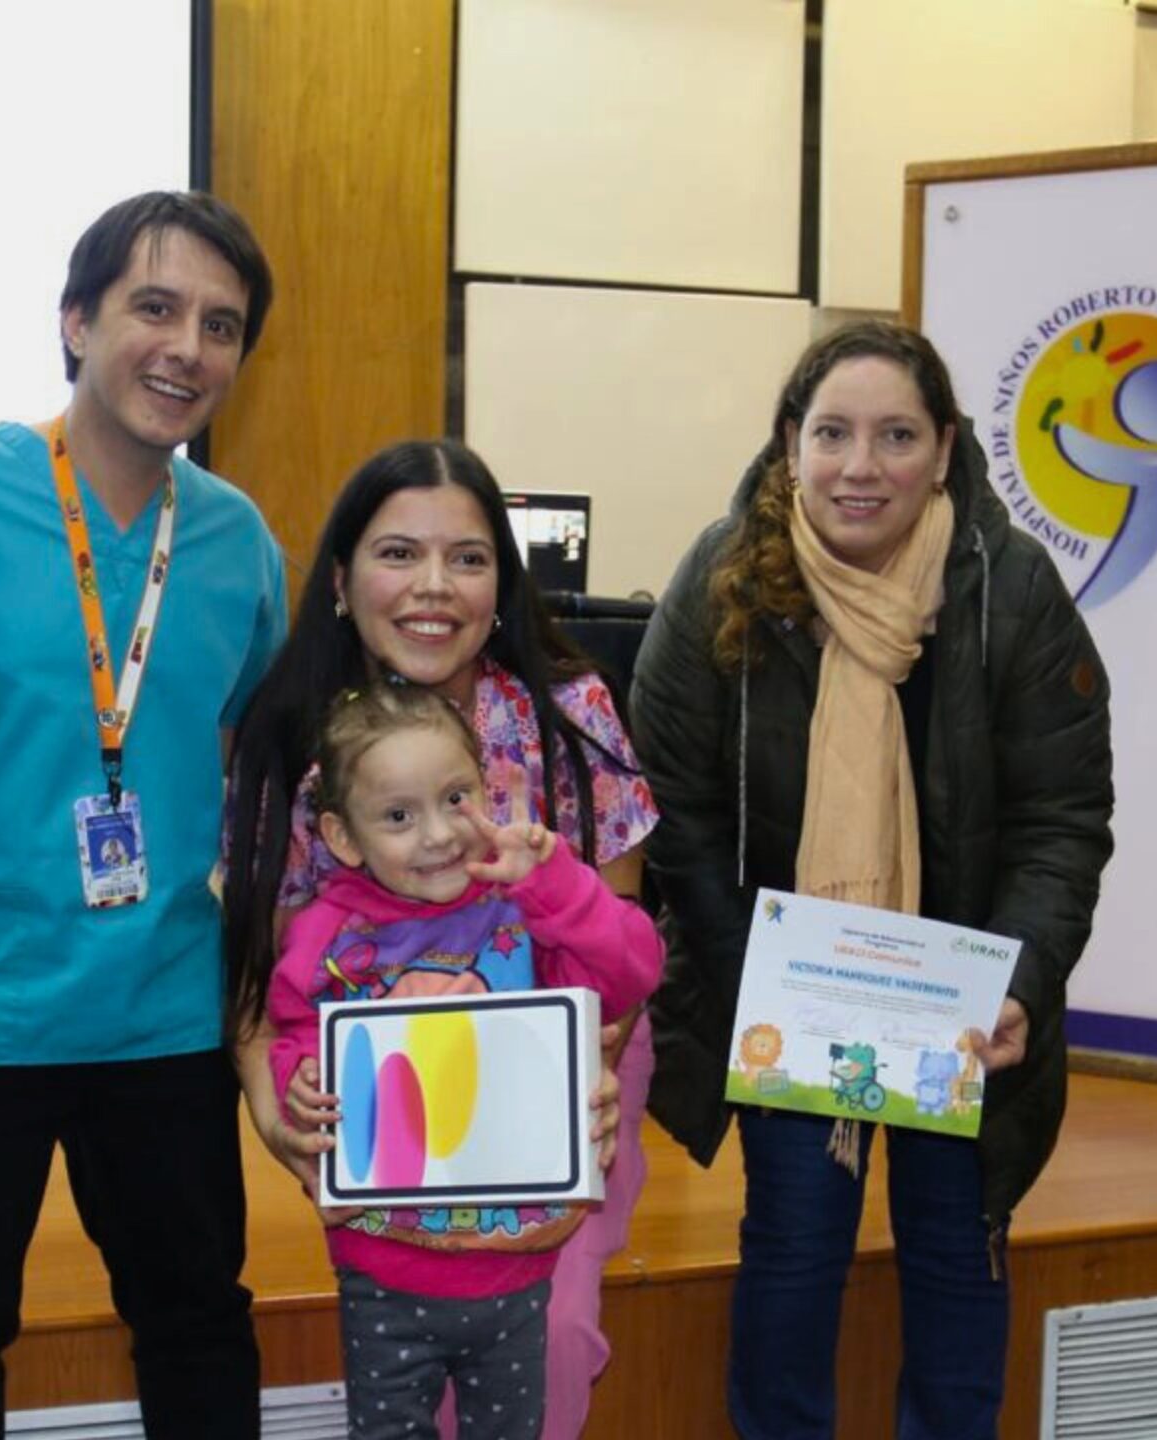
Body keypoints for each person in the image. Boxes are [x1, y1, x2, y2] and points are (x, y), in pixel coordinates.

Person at [631, 320, 1114, 1440]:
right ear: (789, 443)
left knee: (955, 1247)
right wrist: (756, 977)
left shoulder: (1011, 589)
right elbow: (675, 811)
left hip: (960, 1001)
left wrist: (1020, 983)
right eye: (833, 434)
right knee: (795, 1245)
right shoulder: (722, 578)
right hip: (790, 997)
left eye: (896, 435)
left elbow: (1060, 821)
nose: (862, 466)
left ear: (943, 449)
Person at [0, 191, 284, 1439]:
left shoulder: (238, 542)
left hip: (159, 1006)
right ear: (75, 322)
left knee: (197, 1320)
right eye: (154, 308)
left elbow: (249, 751)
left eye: (220, 325)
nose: (187, 349)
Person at [222, 437, 660, 1438]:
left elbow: (622, 957)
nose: (434, 586)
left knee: (552, 1345)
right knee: (412, 1355)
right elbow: (275, 975)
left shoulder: (570, 713)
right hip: (393, 1110)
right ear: (342, 580)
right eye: (398, 553)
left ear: (502, 584)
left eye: (467, 558)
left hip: (567, 1085)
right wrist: (283, 1100)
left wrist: (585, 1071)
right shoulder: (290, 732)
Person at [261, 683, 662, 1439]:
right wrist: (301, 1078)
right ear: (343, 838)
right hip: (384, 1266)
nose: (440, 834)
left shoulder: (526, 907)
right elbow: (293, 1031)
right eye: (399, 816)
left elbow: (632, 969)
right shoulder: (327, 935)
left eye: (456, 798)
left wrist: (556, 881)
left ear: (488, 790)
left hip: (518, 1264)